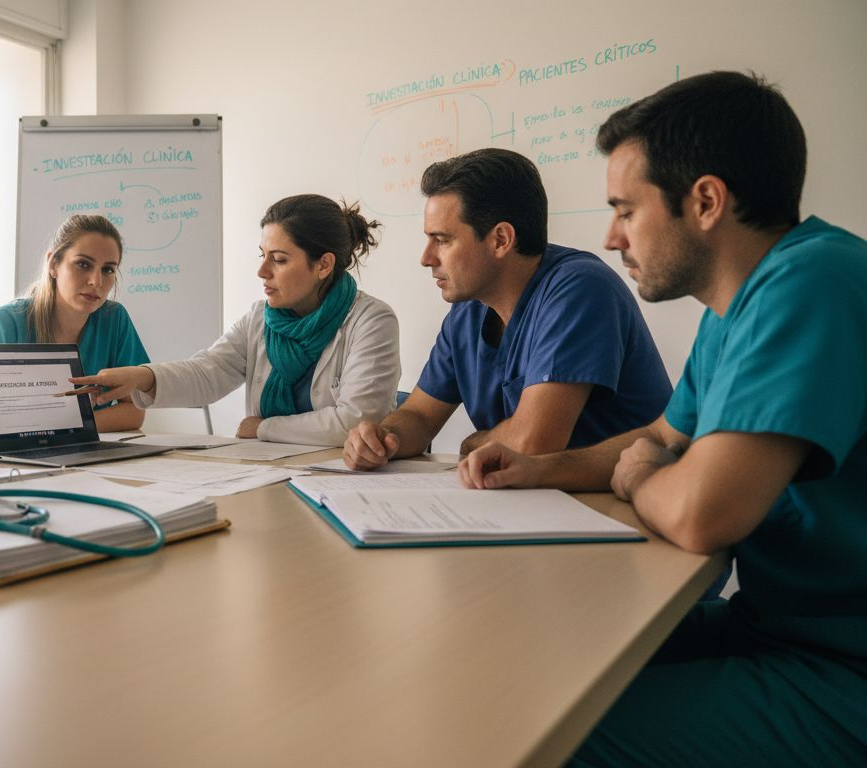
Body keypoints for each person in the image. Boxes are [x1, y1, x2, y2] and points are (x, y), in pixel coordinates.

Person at [461, 72, 867, 765]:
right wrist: (541, 469)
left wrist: (642, 476)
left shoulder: (812, 282)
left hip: (841, 666)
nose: (611, 235)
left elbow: (702, 513)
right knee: (523, 668)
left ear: (705, 200)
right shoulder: (733, 307)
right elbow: (660, 436)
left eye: (624, 208)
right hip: (774, 625)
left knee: (535, 737)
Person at [343, 148, 671, 470]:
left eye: (442, 240)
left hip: (617, 505)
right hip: (530, 503)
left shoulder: (580, 287)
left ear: (501, 239)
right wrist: (384, 438)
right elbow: (419, 416)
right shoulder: (467, 311)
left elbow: (533, 445)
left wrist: (474, 443)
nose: (426, 258)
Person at [70, 194, 400, 446]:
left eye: (279, 260)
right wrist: (142, 377)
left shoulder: (371, 321)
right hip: (270, 470)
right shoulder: (260, 319)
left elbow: (355, 422)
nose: (262, 271)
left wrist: (262, 428)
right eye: (262, 256)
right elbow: (207, 373)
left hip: (342, 479)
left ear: (324, 265)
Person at [0, 214, 149, 437]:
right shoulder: (8, 321)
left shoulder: (114, 320)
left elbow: (134, 411)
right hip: (17, 458)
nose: (96, 281)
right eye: (83, 264)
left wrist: (62, 427)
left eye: (108, 269)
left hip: (84, 455)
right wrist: (52, 427)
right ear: (53, 264)